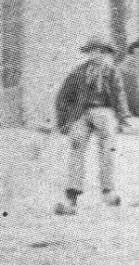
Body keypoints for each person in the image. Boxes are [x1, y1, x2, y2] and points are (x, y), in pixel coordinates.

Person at [53, 39, 130, 214]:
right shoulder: (78, 72)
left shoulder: (112, 73)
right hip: (82, 113)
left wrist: (122, 117)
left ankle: (108, 190)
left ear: (107, 55)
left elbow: (119, 95)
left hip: (105, 111)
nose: (98, 56)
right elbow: (63, 97)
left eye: (103, 52)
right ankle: (72, 195)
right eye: (94, 51)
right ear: (88, 53)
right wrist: (64, 121)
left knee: (108, 148)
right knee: (77, 145)